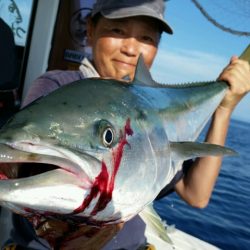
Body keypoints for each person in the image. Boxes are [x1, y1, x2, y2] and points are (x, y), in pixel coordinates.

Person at [1, 0, 250, 249]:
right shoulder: (56, 85)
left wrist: (225, 108)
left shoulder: (150, 116)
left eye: (146, 38)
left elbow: (197, 195)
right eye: (118, 31)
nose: (131, 49)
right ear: (90, 28)